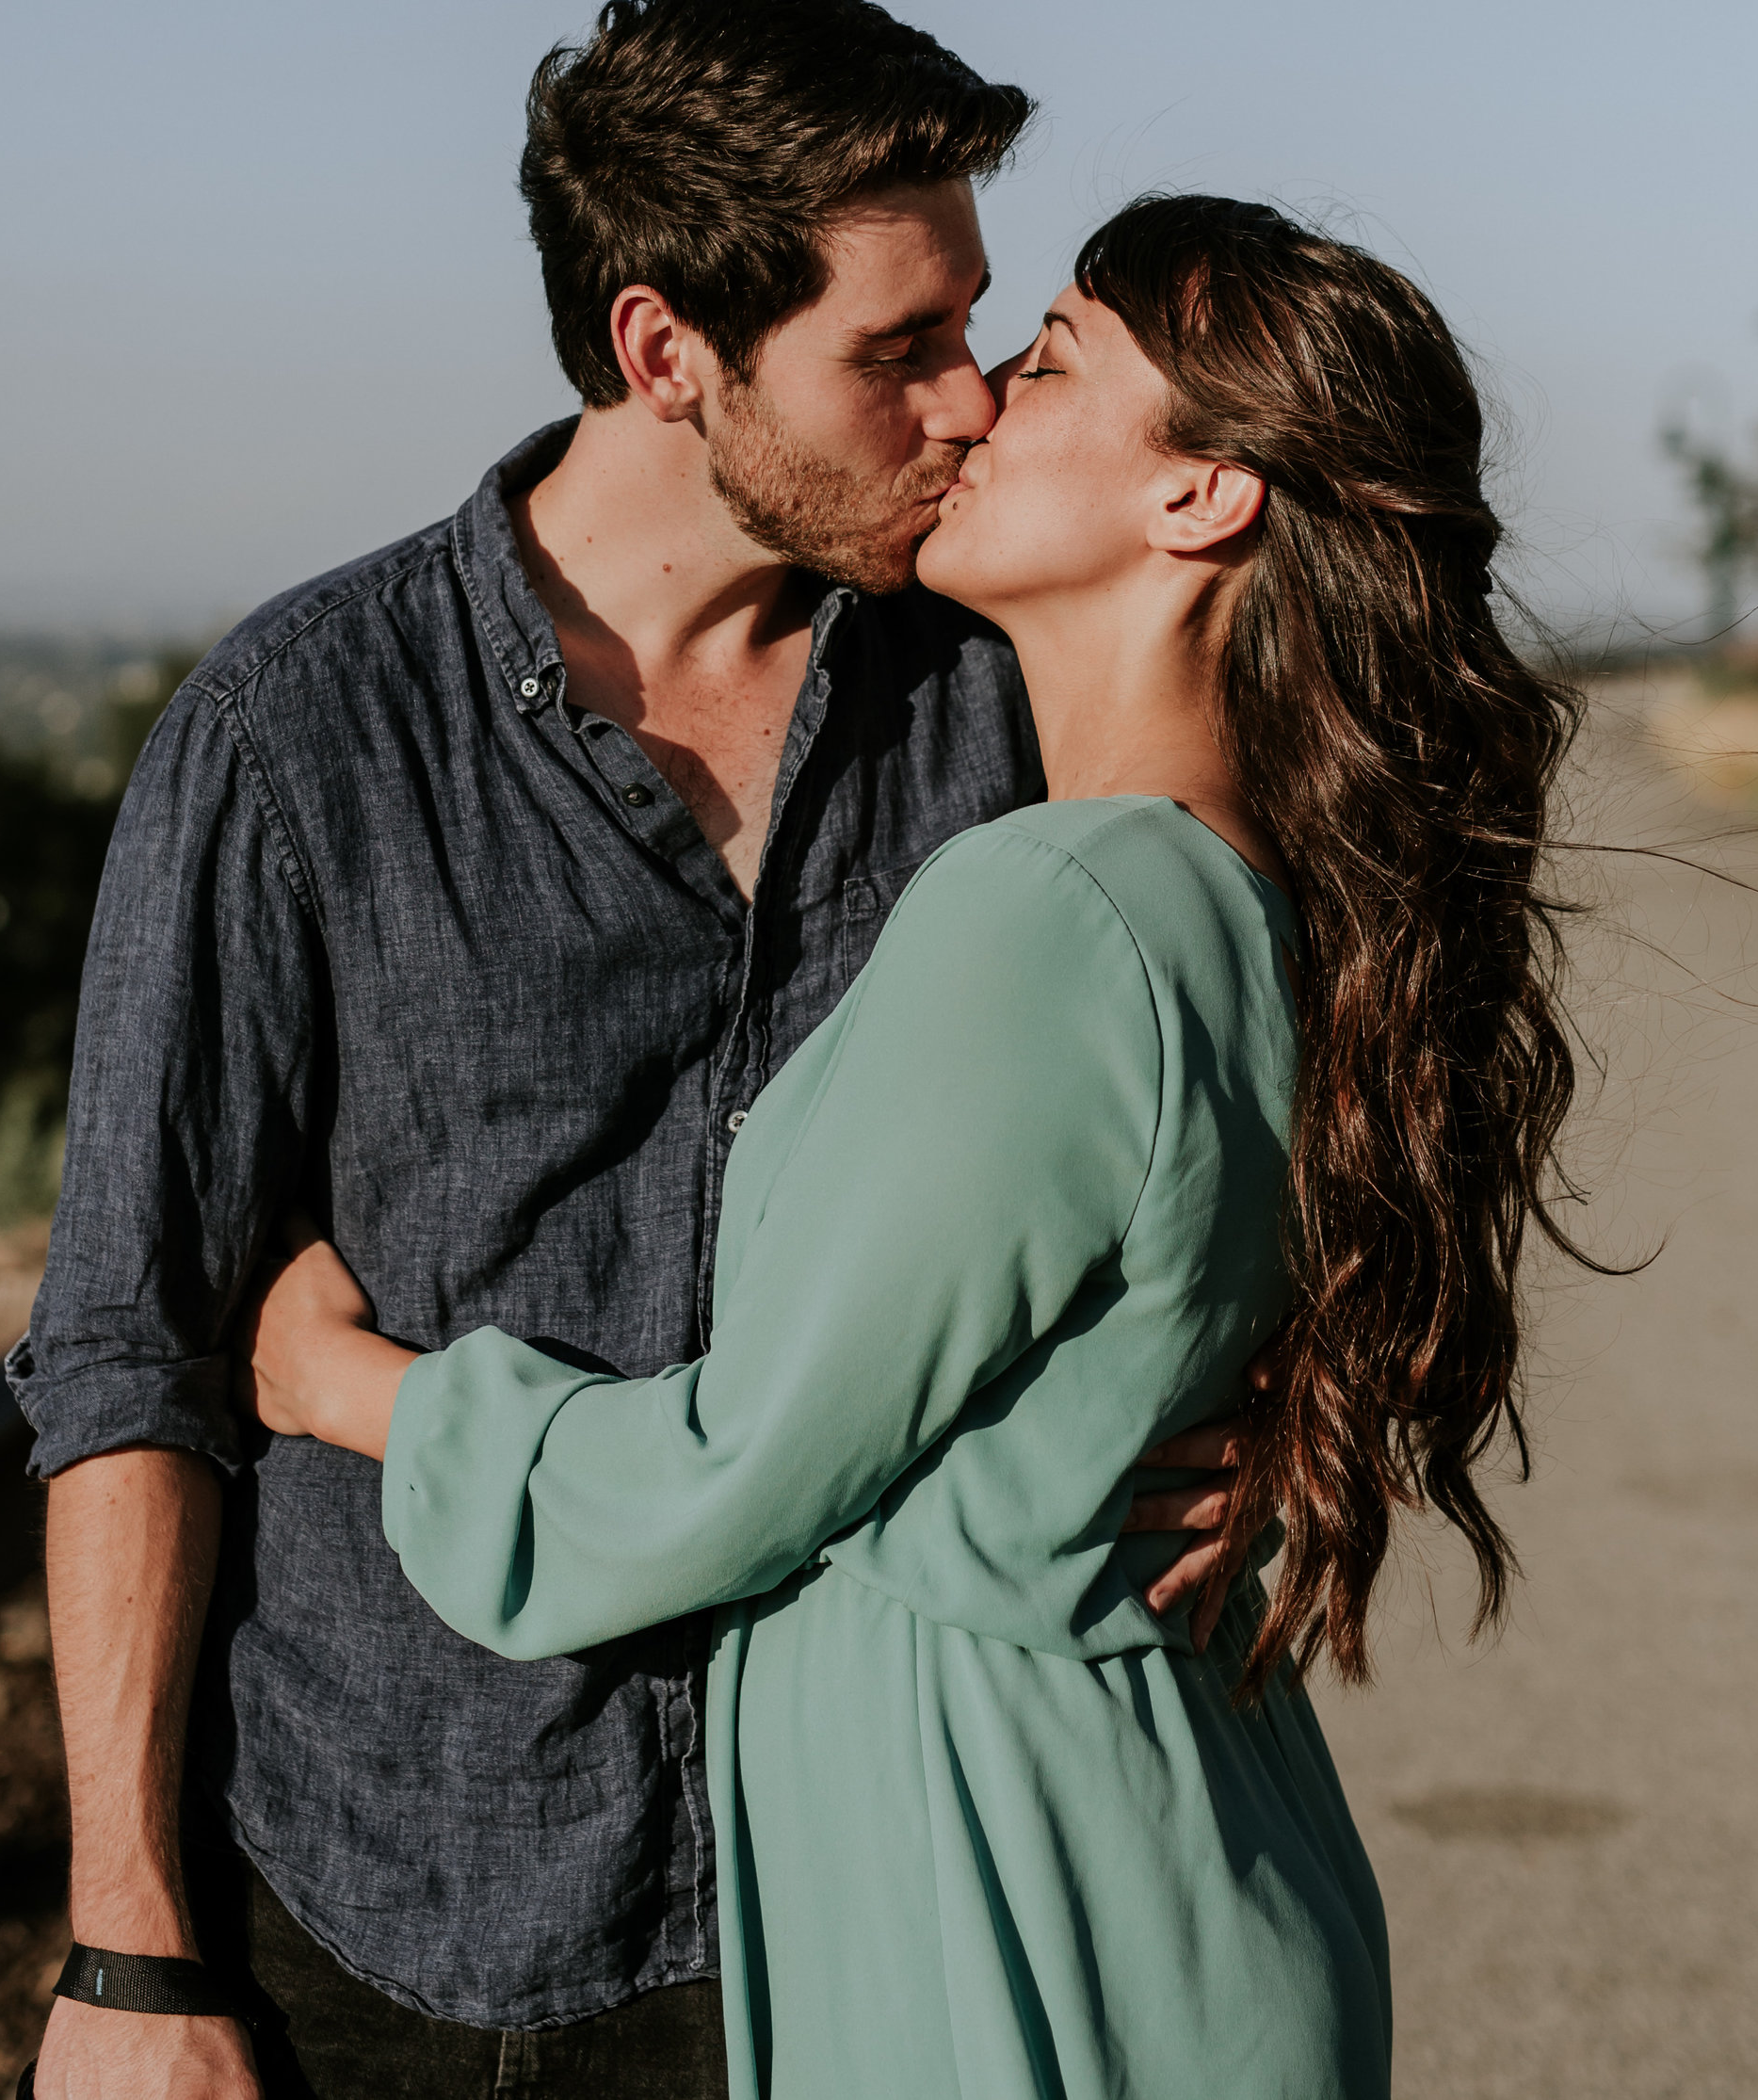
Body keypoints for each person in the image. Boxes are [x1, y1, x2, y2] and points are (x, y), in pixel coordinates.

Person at [12, 0, 1264, 2100]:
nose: (966, 403)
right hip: (398, 1904)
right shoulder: (298, 733)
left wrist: (1295, 1391)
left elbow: (1220, 1052)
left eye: (972, 329)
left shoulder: (998, 701)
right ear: (662, 350)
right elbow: (132, 1345)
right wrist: (130, 1955)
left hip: (845, 1895)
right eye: (895, 351)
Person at [239, 193, 1586, 2100]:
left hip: (1021, 1912)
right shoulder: (1268, 899)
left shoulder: (1048, 912)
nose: (964, 408)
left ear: (1200, 500)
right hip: (1170, 1878)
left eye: (1042, 367)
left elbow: (728, 1474)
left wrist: (342, 1384)